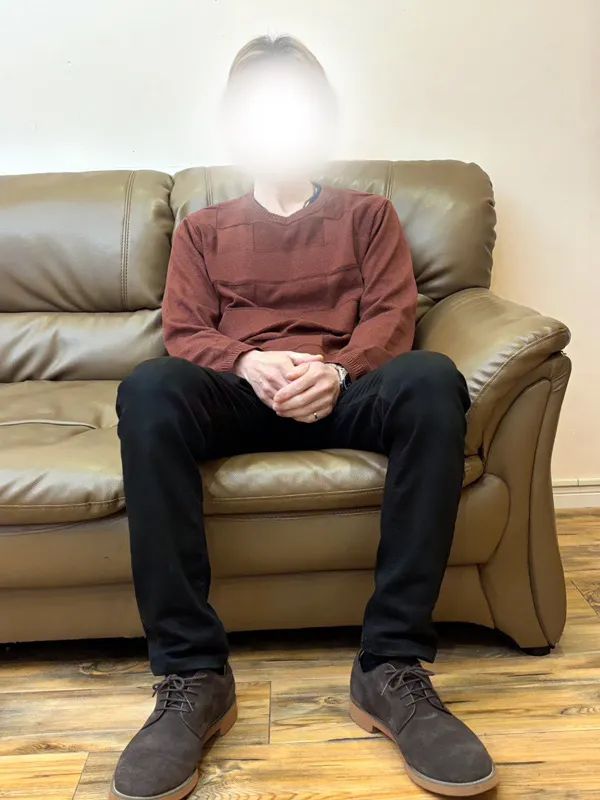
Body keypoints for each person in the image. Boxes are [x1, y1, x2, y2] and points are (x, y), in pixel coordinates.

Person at [111, 35, 498, 800]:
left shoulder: (370, 216)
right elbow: (184, 331)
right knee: (149, 391)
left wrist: (338, 370)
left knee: (432, 379)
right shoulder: (201, 229)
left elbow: (393, 317)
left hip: (343, 391)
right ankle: (192, 674)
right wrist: (247, 363)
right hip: (241, 396)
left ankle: (390, 665)